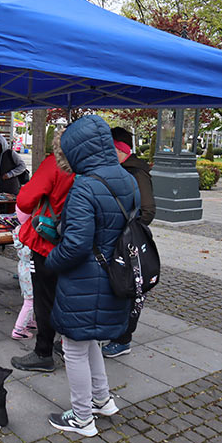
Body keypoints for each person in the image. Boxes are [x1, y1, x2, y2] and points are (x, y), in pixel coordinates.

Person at [43, 115, 137, 437]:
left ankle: (82, 418)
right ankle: (102, 400)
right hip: (116, 276)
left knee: (73, 347)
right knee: (88, 340)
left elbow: (76, 246)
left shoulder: (85, 186)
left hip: (85, 281)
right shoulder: (127, 179)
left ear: (80, 151)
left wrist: (50, 261)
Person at [10, 137, 75, 372]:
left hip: (48, 242)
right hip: (77, 242)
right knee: (67, 297)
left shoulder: (54, 164)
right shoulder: (91, 168)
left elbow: (25, 200)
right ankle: (68, 347)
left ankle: (43, 351)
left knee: (44, 299)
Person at [101, 126, 156, 358]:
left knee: (128, 288)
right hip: (119, 240)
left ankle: (123, 339)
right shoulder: (124, 170)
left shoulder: (135, 173)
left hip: (128, 242)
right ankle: (115, 333)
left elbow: (148, 210)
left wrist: (124, 227)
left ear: (117, 149)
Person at [11, 205, 36, 339]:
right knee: (30, 301)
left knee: (29, 297)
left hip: (23, 267)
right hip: (31, 269)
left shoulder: (18, 229)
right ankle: (19, 329)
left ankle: (30, 321)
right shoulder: (31, 232)